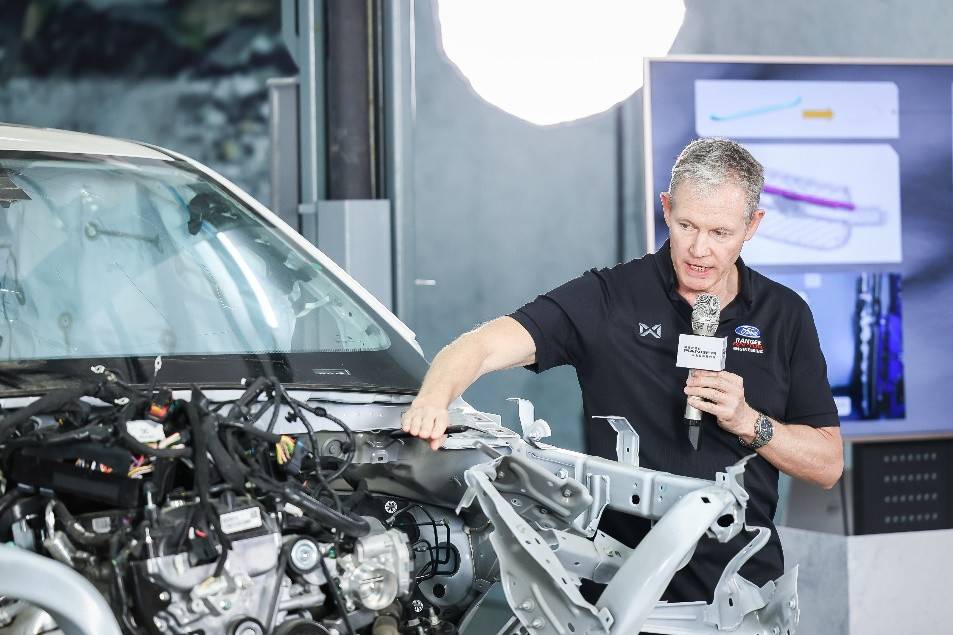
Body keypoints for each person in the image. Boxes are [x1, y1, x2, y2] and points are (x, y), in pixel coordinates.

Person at [400, 138, 844, 604]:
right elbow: (480, 346)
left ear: (752, 225)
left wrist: (749, 422)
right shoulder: (609, 297)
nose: (699, 249)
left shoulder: (785, 315)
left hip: (743, 594)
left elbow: (827, 465)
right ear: (666, 209)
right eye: (687, 225)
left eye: (720, 233)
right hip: (621, 595)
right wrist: (433, 399)